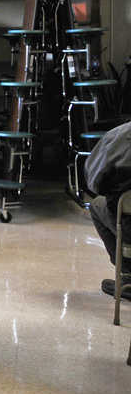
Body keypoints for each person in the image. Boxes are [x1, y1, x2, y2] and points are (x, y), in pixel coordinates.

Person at [84, 120, 131, 299]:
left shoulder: (120, 136)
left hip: (128, 225)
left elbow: (94, 181)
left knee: (97, 204)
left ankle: (127, 275)